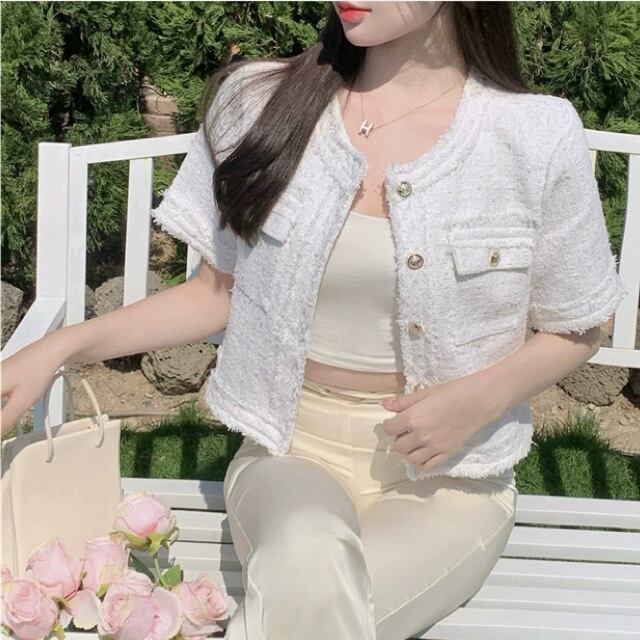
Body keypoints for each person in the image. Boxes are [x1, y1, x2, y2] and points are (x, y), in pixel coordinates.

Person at [1, 2, 627, 639]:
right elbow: (216, 293)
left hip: (452, 481)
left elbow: (580, 324)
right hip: (288, 455)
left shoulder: (533, 134)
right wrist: (60, 347)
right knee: (306, 557)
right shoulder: (260, 103)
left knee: (313, 604)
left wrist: (479, 399)